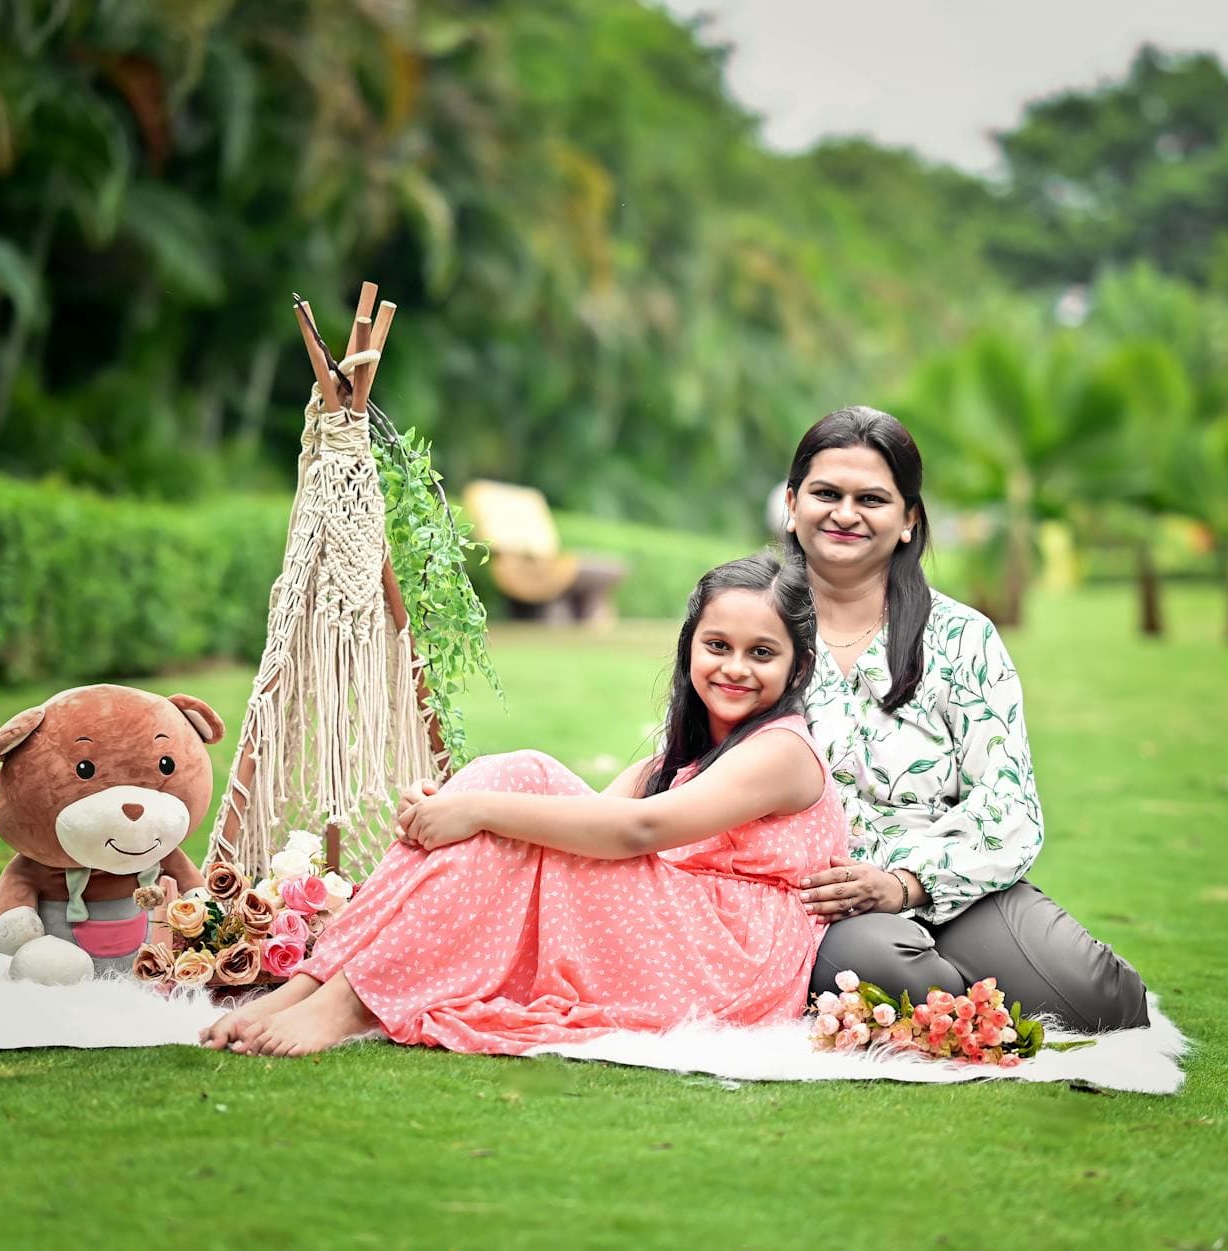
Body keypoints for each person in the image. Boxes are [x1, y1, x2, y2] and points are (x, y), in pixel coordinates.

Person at [201, 552, 847, 1057]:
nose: (735, 667)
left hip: (731, 960)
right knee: (515, 784)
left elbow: (637, 828)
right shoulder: (690, 747)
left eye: (761, 652)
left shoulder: (782, 750)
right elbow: (584, 820)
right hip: (687, 930)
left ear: (798, 666)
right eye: (717, 646)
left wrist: (478, 810)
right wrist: (455, 807)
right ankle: (315, 984)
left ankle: (347, 998)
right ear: (689, 647)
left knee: (522, 776)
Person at [785, 406, 1150, 1032]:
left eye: (872, 498)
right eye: (827, 493)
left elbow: (1010, 806)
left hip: (950, 879)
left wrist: (904, 883)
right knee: (884, 967)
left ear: (908, 521)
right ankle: (963, 1003)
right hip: (827, 904)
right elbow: (689, 761)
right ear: (793, 505)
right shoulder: (753, 629)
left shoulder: (961, 637)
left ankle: (963, 991)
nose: (846, 514)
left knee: (1101, 1001)